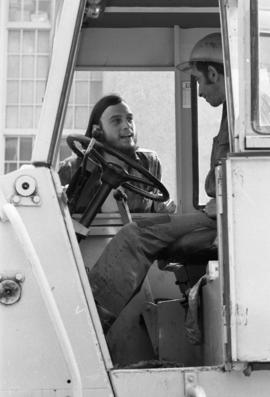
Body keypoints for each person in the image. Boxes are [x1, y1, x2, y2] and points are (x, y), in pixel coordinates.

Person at [88, 33, 230, 328]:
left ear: (214, 73)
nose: (200, 92)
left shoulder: (248, 115)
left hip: (224, 218)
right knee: (141, 234)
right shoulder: (235, 113)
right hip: (218, 214)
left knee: (133, 236)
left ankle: (88, 324)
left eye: (200, 82)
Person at [59, 94, 175, 214]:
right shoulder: (71, 169)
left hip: (134, 232)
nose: (127, 126)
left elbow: (157, 206)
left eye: (129, 119)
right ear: (97, 130)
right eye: (116, 121)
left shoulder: (149, 163)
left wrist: (165, 209)